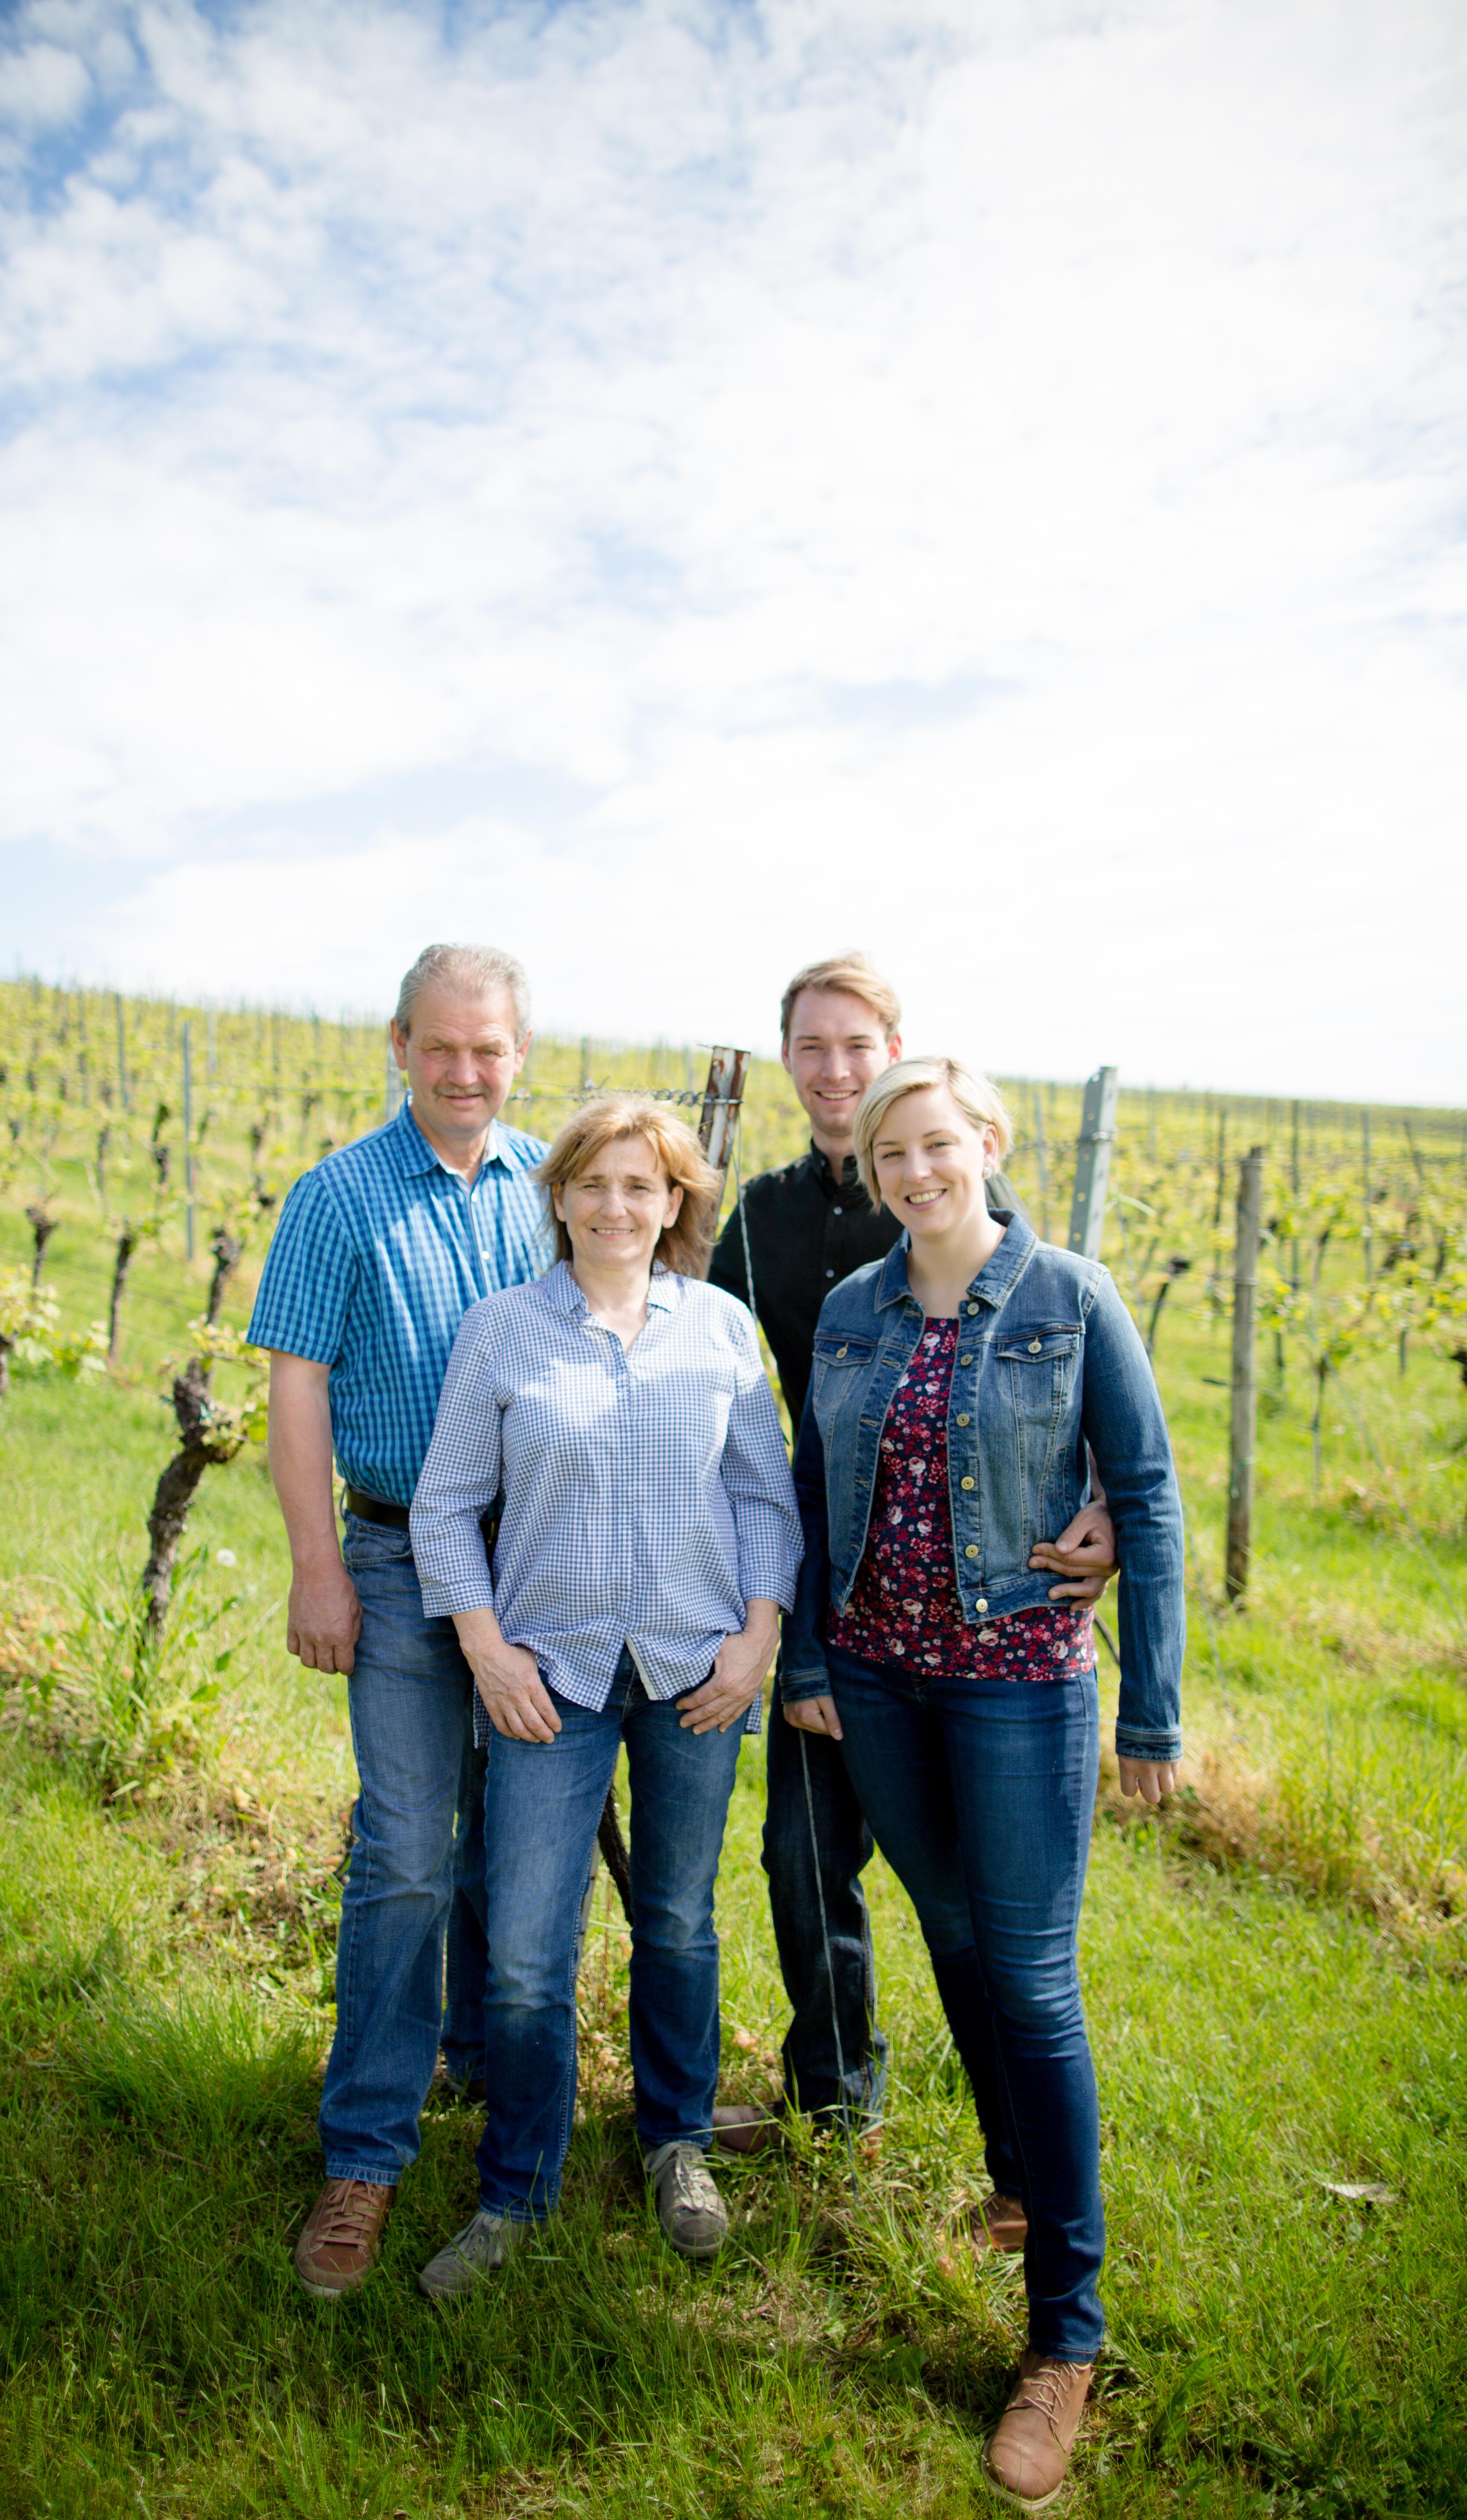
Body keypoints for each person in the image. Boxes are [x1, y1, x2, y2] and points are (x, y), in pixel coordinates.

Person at [779, 1056, 1184, 2509]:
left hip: (1019, 1682)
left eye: (939, 1143)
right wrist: (816, 1662)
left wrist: (1153, 1715)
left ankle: (1065, 2338)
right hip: (879, 1680)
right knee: (948, 1934)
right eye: (894, 1152)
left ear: (989, 1144)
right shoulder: (848, 1310)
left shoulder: (1073, 1298)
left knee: (1031, 1978)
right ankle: (1017, 2177)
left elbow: (1143, 1493)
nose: (916, 1171)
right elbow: (822, 1493)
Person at [707, 956, 1116, 2151]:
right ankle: (837, 2097)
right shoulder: (765, 1220)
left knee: (985, 1911)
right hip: (833, 1586)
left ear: (896, 1052)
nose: (836, 1072)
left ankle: (1020, 2147)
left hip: (978, 1609)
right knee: (801, 1854)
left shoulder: (944, 1182)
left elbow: (1059, 1366)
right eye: (812, 1049)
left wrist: (1097, 1497)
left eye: (857, 1046)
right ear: (788, 1063)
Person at [406, 1096, 802, 2300]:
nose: (617, 1207)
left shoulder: (722, 1331)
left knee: (675, 1920)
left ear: (676, 1202)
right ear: (560, 1197)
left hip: (695, 1668)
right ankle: (517, 2185)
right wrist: (486, 1651)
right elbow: (442, 1508)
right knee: (527, 1952)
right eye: (595, 1184)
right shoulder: (501, 1334)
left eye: (645, 1186)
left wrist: (757, 1642)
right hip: (548, 1677)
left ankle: (675, 2143)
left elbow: (764, 1502)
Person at [248, 942, 553, 2300]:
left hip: (538, 1570)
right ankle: (364, 2152)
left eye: (489, 1049)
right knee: (407, 1854)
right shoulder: (336, 1197)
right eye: (442, 1046)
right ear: (398, 1044)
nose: (466, 1071)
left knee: (513, 1845)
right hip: (388, 1561)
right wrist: (317, 1566)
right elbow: (297, 1385)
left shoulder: (558, 1184)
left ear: (519, 1054)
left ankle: (491, 2076)